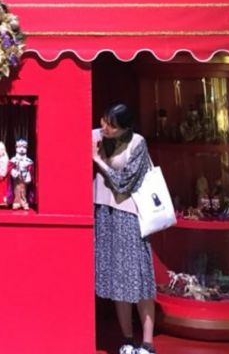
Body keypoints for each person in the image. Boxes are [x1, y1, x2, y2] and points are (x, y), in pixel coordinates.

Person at [92, 103, 156, 354]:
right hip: (105, 213)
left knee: (139, 277)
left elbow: (124, 182)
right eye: (104, 120)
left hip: (129, 215)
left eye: (112, 125)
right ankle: (127, 339)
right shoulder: (96, 136)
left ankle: (148, 343)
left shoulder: (138, 143)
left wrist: (99, 161)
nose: (105, 127)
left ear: (125, 128)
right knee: (118, 278)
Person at [9, 138, 33, 210]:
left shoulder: (28, 160)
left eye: (24, 147)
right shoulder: (13, 159)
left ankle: (24, 202)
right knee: (16, 189)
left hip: (24, 177)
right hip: (16, 177)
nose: (22, 149)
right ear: (16, 148)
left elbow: (30, 169)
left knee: (23, 190)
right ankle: (17, 202)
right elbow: (10, 167)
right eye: (19, 147)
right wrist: (13, 172)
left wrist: (28, 174)